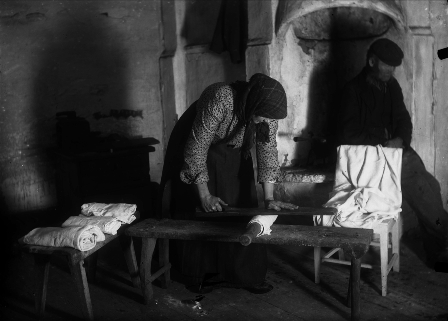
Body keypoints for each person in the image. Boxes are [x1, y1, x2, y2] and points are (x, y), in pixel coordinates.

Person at [160, 73, 298, 294]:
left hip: (233, 149)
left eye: (269, 119)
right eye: (262, 117)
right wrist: (204, 195)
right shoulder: (220, 97)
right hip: (196, 145)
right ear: (253, 103)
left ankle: (242, 274)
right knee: (200, 208)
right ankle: (199, 274)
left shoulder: (266, 115)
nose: (265, 122)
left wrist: (269, 198)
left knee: (242, 204)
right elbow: (197, 148)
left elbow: (267, 152)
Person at [337, 38, 448, 268]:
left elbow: (403, 119)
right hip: (370, 159)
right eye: (387, 66)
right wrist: (386, 142)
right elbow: (349, 135)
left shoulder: (392, 85)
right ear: (371, 61)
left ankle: (438, 249)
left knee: (432, 185)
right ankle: (441, 249)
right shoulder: (352, 90)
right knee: (424, 191)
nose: (391, 71)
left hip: (395, 152)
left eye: (393, 66)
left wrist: (400, 140)